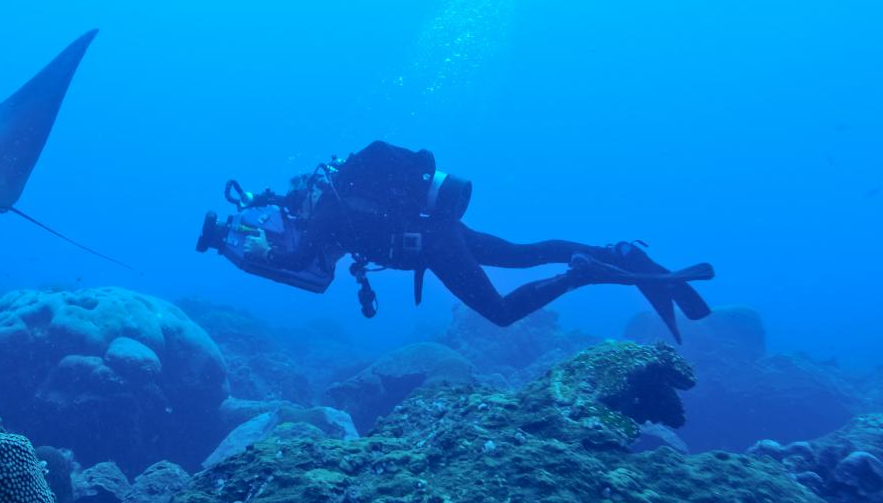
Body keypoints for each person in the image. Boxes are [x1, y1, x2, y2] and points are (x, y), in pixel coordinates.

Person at [195, 141, 712, 341]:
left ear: (300, 199)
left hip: (434, 247)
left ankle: (583, 273)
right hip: (442, 230)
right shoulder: (339, 196)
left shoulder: (326, 211)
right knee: (524, 252)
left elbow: (306, 264)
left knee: (502, 312)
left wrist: (263, 252)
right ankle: (617, 252)